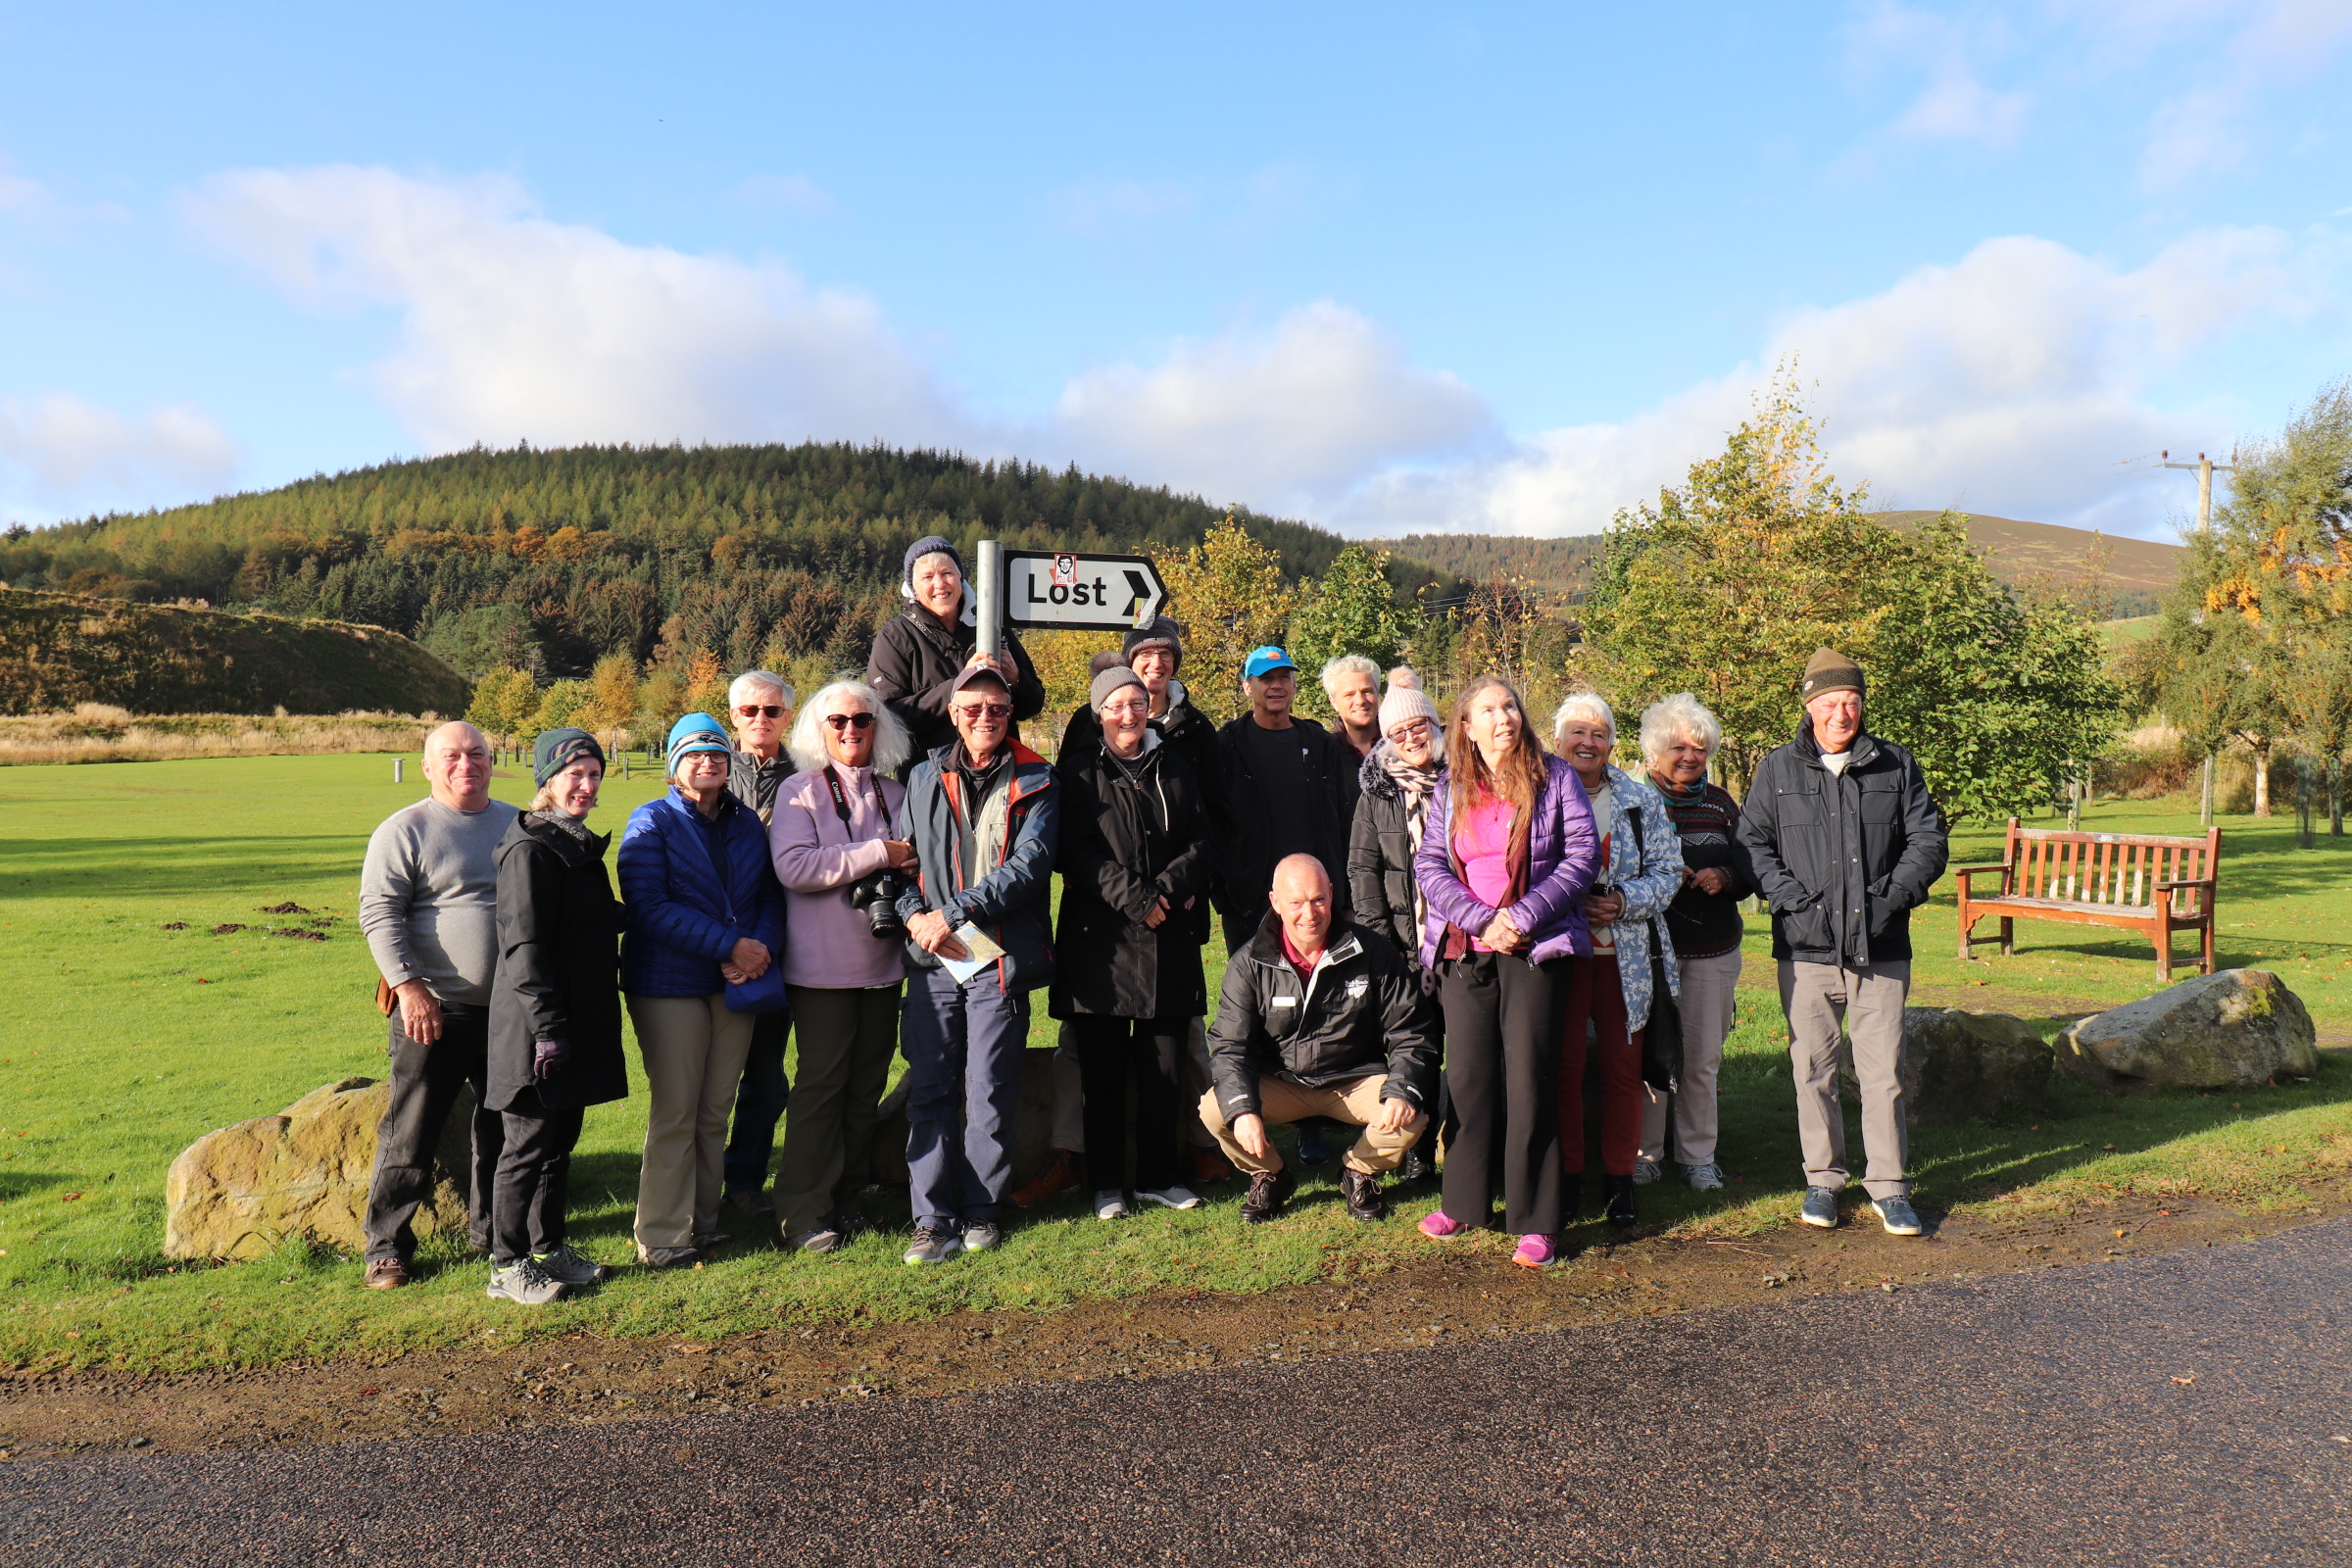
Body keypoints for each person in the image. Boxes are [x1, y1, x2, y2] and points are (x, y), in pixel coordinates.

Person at [1738, 648, 1947, 1238]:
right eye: (1829, 703)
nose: (1841, 713)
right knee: (1813, 1070)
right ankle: (1824, 1180)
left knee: (1883, 1073)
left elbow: (1928, 841)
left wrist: (1889, 899)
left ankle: (1890, 1187)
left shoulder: (1895, 765)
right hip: (1805, 950)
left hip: (1881, 948)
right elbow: (1752, 846)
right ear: (1809, 707)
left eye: (1851, 702)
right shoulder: (1777, 770)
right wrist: (1791, 902)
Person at [1023, 617, 1228, 1204]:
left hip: (1168, 938)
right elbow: (1072, 852)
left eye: (1137, 703)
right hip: (1102, 943)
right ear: (1099, 712)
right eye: (1117, 704)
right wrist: (1136, 897)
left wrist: (1164, 890)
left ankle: (1162, 1177)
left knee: (1165, 1068)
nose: (1130, 713)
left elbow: (1202, 838)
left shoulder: (1175, 766)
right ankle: (1108, 1185)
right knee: (1103, 1073)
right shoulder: (1079, 774)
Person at [1414, 676, 1598, 1268]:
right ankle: (1465, 1202)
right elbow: (1430, 863)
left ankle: (1536, 1219)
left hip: (1536, 948)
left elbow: (1581, 857)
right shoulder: (1453, 787)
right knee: (1467, 1079)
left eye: (1510, 706)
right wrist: (1480, 919)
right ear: (1465, 726)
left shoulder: (1557, 777)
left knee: (1530, 1080)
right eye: (1488, 709)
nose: (1504, 717)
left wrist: (1520, 917)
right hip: (1468, 949)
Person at [893, 664, 1060, 1264]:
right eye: (971, 709)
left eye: (995, 708)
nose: (983, 719)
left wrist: (952, 913)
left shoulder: (1039, 777)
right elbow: (904, 862)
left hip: (997, 957)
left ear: (1009, 714)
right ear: (953, 714)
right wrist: (915, 916)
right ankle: (930, 1220)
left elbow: (1029, 866)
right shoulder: (921, 776)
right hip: (934, 956)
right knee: (932, 1088)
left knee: (989, 1088)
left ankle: (982, 1211)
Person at [617, 713, 786, 1267]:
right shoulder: (651, 822)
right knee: (677, 1110)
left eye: (716, 752)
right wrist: (729, 947)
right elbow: (649, 907)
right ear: (674, 767)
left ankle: (702, 1223)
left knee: (716, 1108)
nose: (707, 761)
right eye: (693, 754)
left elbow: (768, 894)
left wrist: (756, 948)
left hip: (735, 985)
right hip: (669, 986)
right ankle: (662, 1235)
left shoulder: (745, 824)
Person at [357, 720, 516, 1290]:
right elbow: (379, 914)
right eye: (450, 755)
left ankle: (496, 1232)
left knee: (502, 1125)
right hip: (433, 1010)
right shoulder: (405, 830)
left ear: (492, 761)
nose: (465, 763)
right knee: (412, 1130)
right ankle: (387, 1246)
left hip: (510, 1010)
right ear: (427, 767)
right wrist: (409, 987)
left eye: (476, 753)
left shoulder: (516, 824)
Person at [1200, 856, 1436, 1224]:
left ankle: (1357, 1172)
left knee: (1412, 1114)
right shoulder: (1248, 962)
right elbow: (1231, 1046)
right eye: (1295, 902)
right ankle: (1271, 1175)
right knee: (1217, 1109)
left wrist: (1402, 1089)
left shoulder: (1373, 952)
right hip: (1282, 1082)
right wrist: (1243, 1109)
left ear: (1331, 894)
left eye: (1318, 900)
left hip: (1355, 1079)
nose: (1309, 913)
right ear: (1275, 903)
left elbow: (1410, 1032)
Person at [481, 728, 628, 1304]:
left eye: (594, 774)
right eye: (575, 774)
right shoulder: (531, 849)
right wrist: (547, 1030)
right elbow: (525, 945)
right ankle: (507, 1264)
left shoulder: (574, 842)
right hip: (535, 1025)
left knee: (560, 1139)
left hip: (576, 1017)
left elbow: (582, 921)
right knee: (526, 1144)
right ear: (547, 781)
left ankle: (550, 1249)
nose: (587, 786)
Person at [767, 681, 914, 1253]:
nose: (851, 730)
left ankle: (847, 1198)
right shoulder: (798, 792)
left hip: (883, 965)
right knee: (820, 1088)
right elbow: (796, 867)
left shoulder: (897, 793)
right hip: (821, 971)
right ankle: (802, 1210)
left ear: (879, 728)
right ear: (818, 729)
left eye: (862, 720)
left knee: (864, 1088)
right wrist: (880, 854)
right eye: (838, 722)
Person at [1551, 693, 1685, 1231]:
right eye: (1578, 732)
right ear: (1557, 740)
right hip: (1559, 954)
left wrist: (1624, 902)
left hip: (1623, 958)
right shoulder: (1536, 792)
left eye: (1600, 733)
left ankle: (1619, 1181)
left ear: (1612, 742)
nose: (1589, 742)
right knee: (1562, 1070)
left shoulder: (1638, 799)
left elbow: (1669, 870)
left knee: (1623, 1071)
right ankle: (1563, 1179)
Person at [1637, 693, 1752, 1193]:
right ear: (1655, 750)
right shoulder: (1632, 799)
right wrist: (1662, 873)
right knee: (1651, 1058)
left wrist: (1724, 876)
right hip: (1647, 952)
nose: (1690, 757)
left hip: (1713, 950)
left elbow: (1752, 867)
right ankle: (1645, 1154)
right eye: (1679, 747)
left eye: (1700, 750)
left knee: (1702, 1059)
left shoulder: (1723, 803)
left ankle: (1697, 1156)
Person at [1347, 681, 1448, 1183]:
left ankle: (1471, 1145)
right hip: (1404, 948)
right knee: (1418, 1048)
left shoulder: (1466, 778)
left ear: (1434, 725)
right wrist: (1381, 943)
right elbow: (1362, 870)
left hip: (1462, 941)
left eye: (1418, 725)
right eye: (1399, 731)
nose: (1411, 737)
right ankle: (1418, 1149)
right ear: (1387, 737)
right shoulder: (1377, 793)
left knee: (1472, 1053)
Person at [1210, 646, 1360, 954]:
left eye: (1283, 677)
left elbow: (1342, 824)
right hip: (1251, 903)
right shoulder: (1226, 746)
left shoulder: (1321, 745)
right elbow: (1213, 824)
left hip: (1316, 901)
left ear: (1293, 686)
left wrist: (1342, 897)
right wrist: (1226, 897)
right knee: (1256, 994)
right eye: (1266, 678)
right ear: (1247, 687)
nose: (1276, 685)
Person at [722, 670, 798, 1217]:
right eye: (749, 711)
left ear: (787, 717)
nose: (760, 720)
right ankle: (698, 1185)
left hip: (787, 940)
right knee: (707, 1079)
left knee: (767, 1075)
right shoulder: (706, 769)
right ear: (734, 716)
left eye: (771, 711)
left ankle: (746, 1180)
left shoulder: (810, 772)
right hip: (718, 944)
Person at [867, 534, 1046, 759]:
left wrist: (1016, 679)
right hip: (931, 777)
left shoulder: (991, 625)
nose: (939, 584)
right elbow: (887, 718)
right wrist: (960, 684)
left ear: (960, 578)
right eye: (928, 577)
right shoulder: (896, 636)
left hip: (1000, 769)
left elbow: (1033, 705)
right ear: (913, 588)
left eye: (947, 573)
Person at [1321, 654, 1383, 757]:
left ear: (1377, 693)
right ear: (1334, 702)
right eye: (1349, 694)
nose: (1360, 701)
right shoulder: (1325, 755)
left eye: (1367, 691)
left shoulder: (1401, 744)